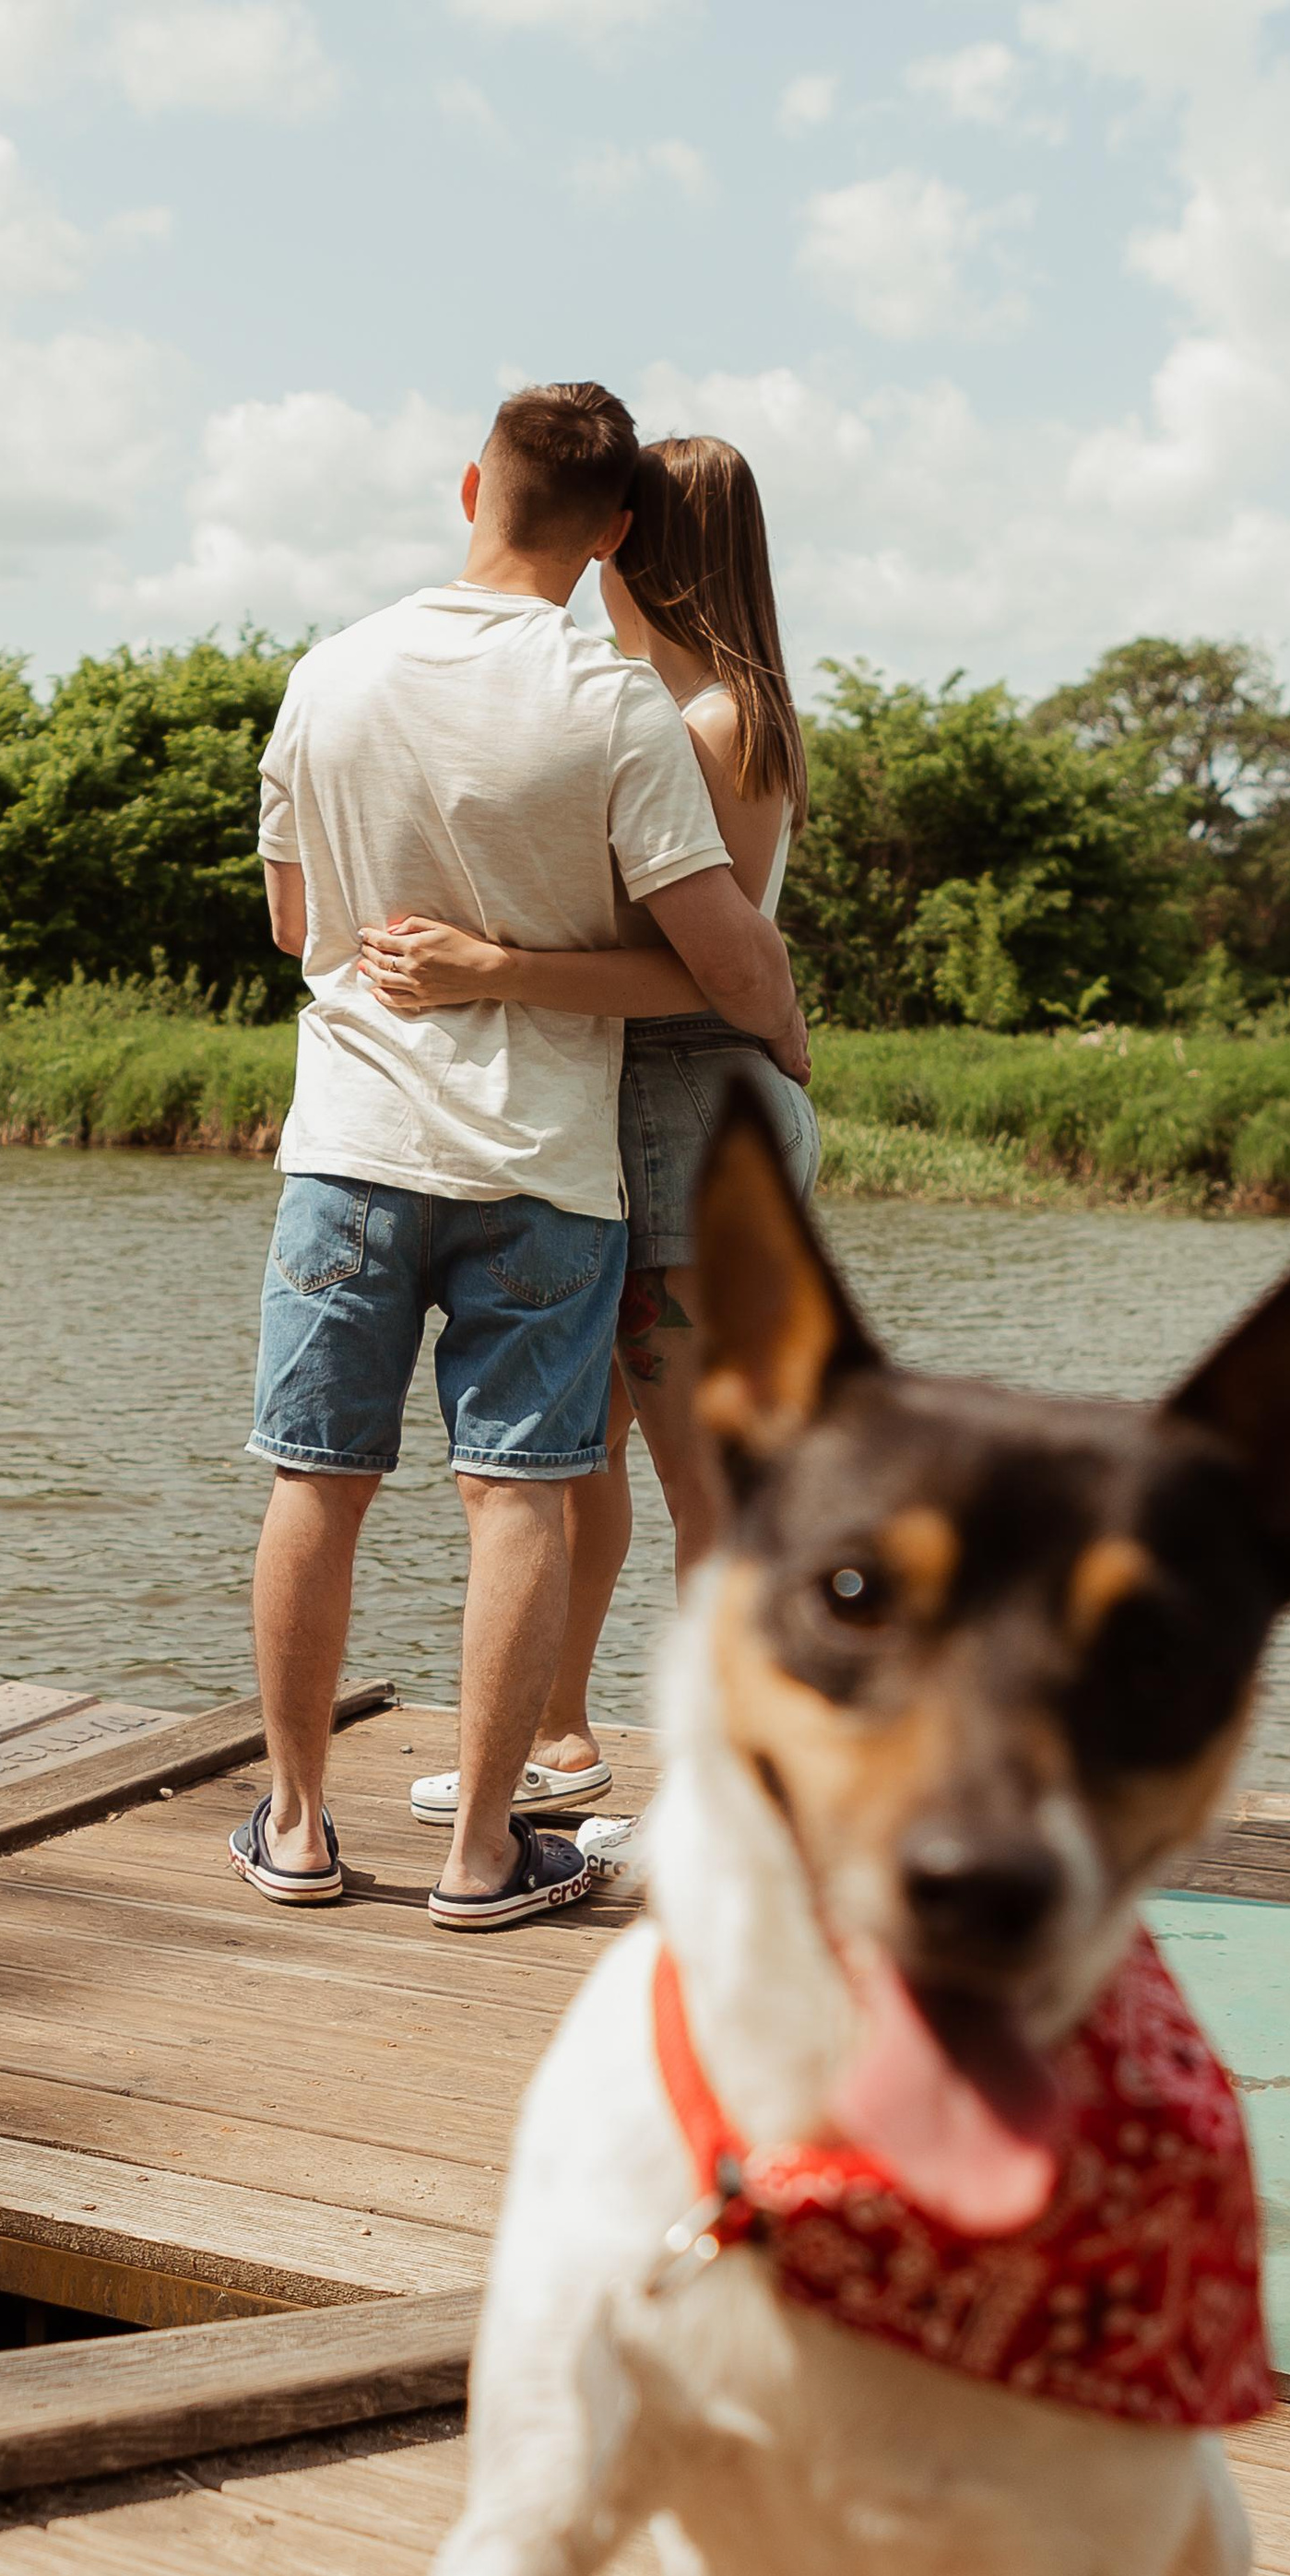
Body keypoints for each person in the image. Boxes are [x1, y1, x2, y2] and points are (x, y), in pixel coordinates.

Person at [239, 384, 805, 1933]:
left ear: (469, 481)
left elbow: (296, 924)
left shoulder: (328, 671)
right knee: (523, 1501)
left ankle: (295, 1827)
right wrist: (786, 1029)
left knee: (317, 1480)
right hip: (549, 1164)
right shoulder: (618, 704)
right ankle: (487, 1852)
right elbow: (709, 955)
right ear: (614, 529)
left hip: (350, 1142)